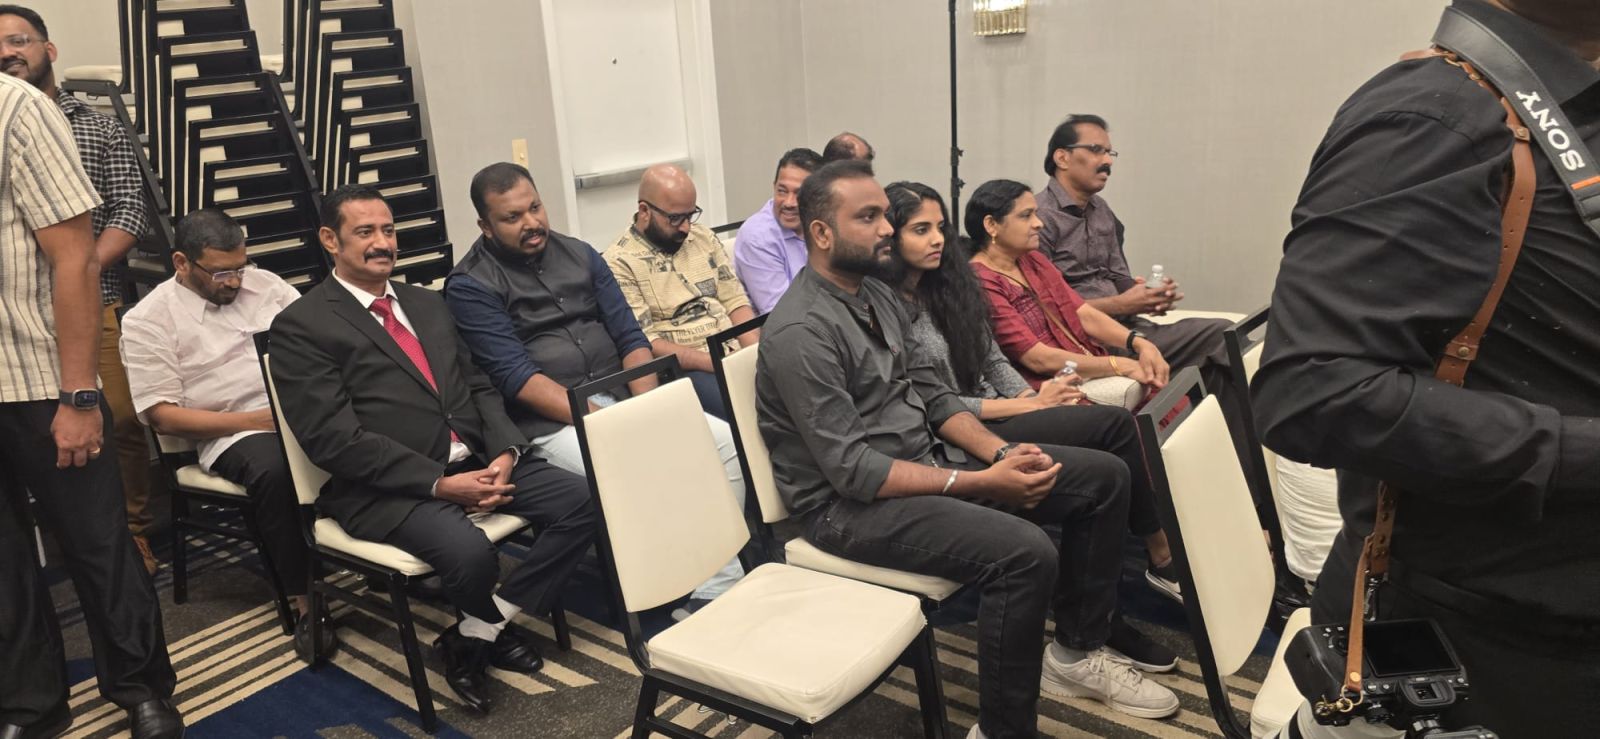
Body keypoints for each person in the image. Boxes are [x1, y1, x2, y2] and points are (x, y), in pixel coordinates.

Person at [1253, 1, 1600, 735]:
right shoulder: (1434, 117)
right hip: (1487, 649)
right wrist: (1578, 452)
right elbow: (1312, 388)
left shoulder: (1573, 114)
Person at [757, 160, 1179, 738]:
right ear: (822, 233)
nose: (886, 228)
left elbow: (935, 397)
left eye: (885, 215)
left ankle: (1076, 653)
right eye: (869, 217)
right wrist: (979, 481)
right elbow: (854, 471)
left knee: (1104, 479)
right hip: (845, 508)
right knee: (1026, 554)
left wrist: (999, 455)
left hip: (922, 460)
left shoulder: (875, 295)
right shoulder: (802, 331)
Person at [269, 185, 596, 715]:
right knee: (471, 554)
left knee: (584, 500)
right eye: (365, 232)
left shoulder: (428, 303)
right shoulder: (302, 326)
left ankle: (479, 629)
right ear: (330, 240)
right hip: (387, 487)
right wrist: (439, 484)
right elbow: (332, 439)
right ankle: (486, 628)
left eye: (388, 229)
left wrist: (505, 452)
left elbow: (479, 385)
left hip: (477, 461)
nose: (383, 243)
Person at [444, 163, 745, 620]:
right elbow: (517, 378)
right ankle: (670, 588)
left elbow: (631, 338)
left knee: (722, 444)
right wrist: (604, 420)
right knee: (644, 462)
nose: (531, 223)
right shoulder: (470, 285)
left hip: (623, 399)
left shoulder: (581, 254)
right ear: (485, 226)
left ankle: (713, 584)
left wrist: (647, 405)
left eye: (535, 208)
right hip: (550, 422)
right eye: (512, 218)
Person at [880, 179, 1184, 610]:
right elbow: (933, 403)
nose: (937, 240)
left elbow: (993, 360)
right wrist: (1031, 403)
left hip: (1002, 408)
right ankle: (1156, 551)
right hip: (957, 431)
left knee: (1113, 429)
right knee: (1109, 449)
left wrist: (1030, 397)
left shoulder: (949, 284)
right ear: (889, 236)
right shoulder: (887, 305)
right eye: (920, 230)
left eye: (941, 227)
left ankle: (1143, 561)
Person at [0, 72, 182, 739]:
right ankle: (32, 704)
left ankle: (142, 688)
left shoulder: (15, 108)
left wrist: (79, 394)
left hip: (39, 376)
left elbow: (76, 258)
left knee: (98, 541)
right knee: (3, 563)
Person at [119, 208, 331, 660]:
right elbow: (162, 417)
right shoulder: (148, 321)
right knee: (277, 470)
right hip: (231, 430)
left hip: (298, 406)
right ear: (181, 263)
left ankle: (384, 550)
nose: (234, 281)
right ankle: (306, 600)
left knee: (375, 427)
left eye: (240, 267)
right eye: (221, 273)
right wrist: (254, 421)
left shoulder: (266, 285)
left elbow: (319, 340)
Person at [0, 4, 159, 573]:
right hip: (16, 324)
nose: (7, 52)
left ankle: (132, 532)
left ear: (48, 50)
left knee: (118, 420)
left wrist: (76, 268)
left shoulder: (97, 125)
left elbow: (130, 210)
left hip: (95, 300)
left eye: (19, 40)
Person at [1035, 114, 1233, 381]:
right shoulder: (1038, 219)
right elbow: (1045, 310)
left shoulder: (1100, 209)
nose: (1107, 161)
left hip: (1129, 327)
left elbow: (1117, 276)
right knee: (1221, 336)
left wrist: (1146, 296)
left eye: (1109, 152)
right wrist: (1121, 304)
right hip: (1087, 342)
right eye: (1095, 150)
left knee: (1227, 340)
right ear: (1062, 158)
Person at [966, 179, 1171, 395]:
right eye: (1026, 216)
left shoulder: (1032, 259)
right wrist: (1119, 365)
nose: (1038, 223)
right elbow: (1038, 359)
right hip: (1048, 388)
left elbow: (1081, 312)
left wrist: (1138, 343)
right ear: (991, 225)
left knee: (1165, 394)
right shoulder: (981, 281)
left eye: (1035, 214)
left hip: (1085, 361)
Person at [603, 163, 759, 420]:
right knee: (747, 411)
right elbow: (647, 342)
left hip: (732, 353)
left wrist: (756, 354)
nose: (686, 227)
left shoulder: (703, 237)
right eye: (675, 218)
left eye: (691, 215)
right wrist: (715, 362)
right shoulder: (620, 262)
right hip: (686, 368)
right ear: (645, 211)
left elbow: (735, 301)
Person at [732, 147, 822, 313]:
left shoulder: (825, 222)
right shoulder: (757, 237)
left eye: (799, 194)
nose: (789, 202)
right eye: (782, 191)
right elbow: (782, 313)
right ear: (774, 187)